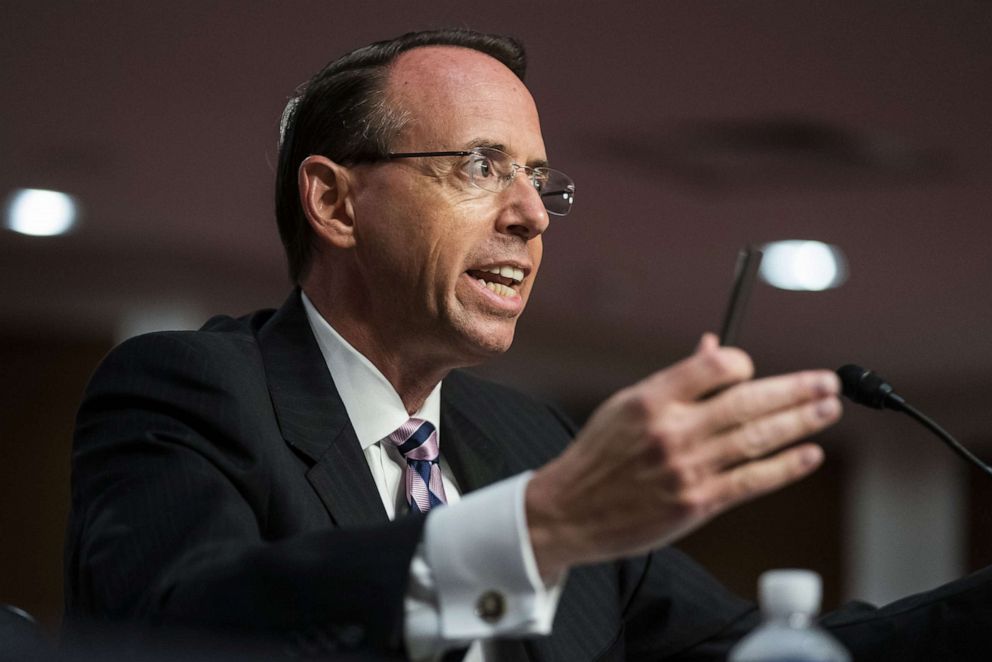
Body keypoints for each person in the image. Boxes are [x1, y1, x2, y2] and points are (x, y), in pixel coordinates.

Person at [65, 28, 992, 661]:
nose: (533, 214)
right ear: (335, 201)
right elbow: (179, 629)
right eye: (480, 168)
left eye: (540, 180)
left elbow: (754, 653)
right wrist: (538, 529)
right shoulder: (187, 389)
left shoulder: (528, 442)